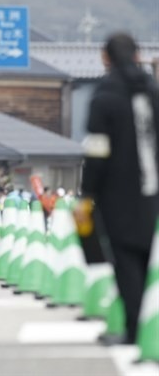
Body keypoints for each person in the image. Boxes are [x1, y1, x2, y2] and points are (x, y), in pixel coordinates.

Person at [79, 32, 159, 345]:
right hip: (153, 193)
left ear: (106, 58)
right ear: (138, 55)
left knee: (125, 261)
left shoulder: (105, 95)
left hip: (118, 195)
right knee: (150, 258)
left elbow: (96, 151)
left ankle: (135, 329)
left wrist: (87, 194)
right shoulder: (153, 92)